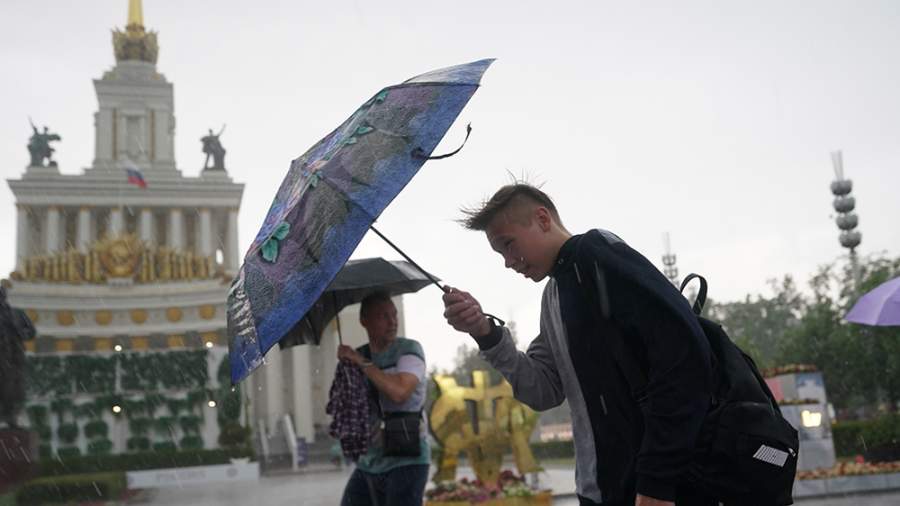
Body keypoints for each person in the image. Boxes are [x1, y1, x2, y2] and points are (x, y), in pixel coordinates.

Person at [442, 183, 717, 506]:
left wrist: (657, 482)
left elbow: (685, 360)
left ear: (543, 219)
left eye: (508, 244)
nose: (508, 262)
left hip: (656, 491)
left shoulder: (600, 256)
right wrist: (485, 332)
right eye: (500, 253)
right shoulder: (553, 296)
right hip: (598, 488)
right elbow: (544, 390)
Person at [336, 291, 430, 506]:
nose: (392, 322)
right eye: (382, 316)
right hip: (369, 461)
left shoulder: (409, 350)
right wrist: (346, 370)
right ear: (364, 321)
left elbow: (399, 392)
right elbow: (347, 407)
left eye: (394, 315)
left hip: (407, 457)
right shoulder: (357, 355)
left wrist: (360, 362)